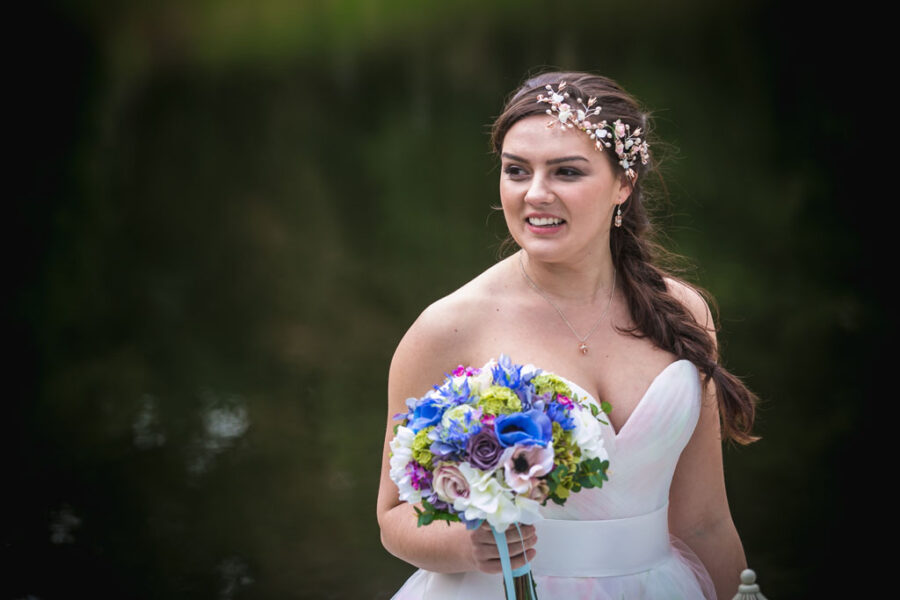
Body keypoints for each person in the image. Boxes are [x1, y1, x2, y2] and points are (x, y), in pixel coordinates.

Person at [376, 70, 757, 600]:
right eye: (516, 170)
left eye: (566, 172)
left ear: (623, 184)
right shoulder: (450, 327)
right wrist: (469, 546)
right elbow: (394, 516)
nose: (535, 194)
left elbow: (704, 522)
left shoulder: (682, 312)